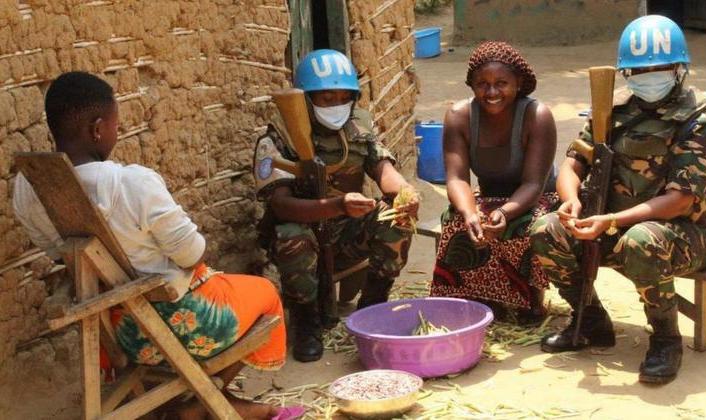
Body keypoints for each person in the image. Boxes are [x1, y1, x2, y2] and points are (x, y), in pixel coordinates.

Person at [13, 72, 288, 419]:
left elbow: (58, 253)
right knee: (266, 295)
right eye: (115, 125)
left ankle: (205, 402)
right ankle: (203, 403)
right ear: (97, 129)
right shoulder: (134, 184)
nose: (116, 133)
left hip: (112, 332)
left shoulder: (26, 188)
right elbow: (192, 254)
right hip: (177, 327)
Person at [529, 15, 706, 384]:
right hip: (612, 225)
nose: (649, 77)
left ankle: (665, 340)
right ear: (626, 74)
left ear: (679, 69)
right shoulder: (611, 112)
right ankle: (590, 321)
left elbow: (680, 201)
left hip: (688, 233)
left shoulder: (695, 121)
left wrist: (613, 221)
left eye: (659, 69)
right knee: (546, 229)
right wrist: (570, 201)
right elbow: (572, 165)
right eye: (639, 71)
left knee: (641, 241)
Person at [256, 49, 418, 362]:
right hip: (303, 240)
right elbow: (281, 205)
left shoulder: (357, 129)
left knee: (395, 219)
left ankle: (373, 309)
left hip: (346, 235)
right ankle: (307, 322)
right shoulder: (280, 137)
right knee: (292, 236)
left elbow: (382, 168)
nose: (336, 105)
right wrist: (337, 205)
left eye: (344, 98)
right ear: (306, 100)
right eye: (327, 98)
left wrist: (405, 193)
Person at [429, 41, 558, 322]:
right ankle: (476, 297)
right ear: (471, 85)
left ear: (518, 83)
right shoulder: (459, 117)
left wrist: (504, 213)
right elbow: (457, 178)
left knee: (525, 225)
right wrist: (470, 213)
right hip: (489, 194)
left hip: (538, 196)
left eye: (501, 83)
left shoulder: (537, 116)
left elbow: (533, 184)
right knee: (455, 220)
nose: (491, 92)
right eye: (482, 84)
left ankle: (528, 300)